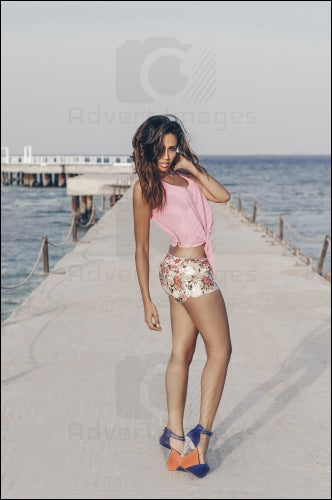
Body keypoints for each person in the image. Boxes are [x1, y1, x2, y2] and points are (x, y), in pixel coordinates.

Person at [132, 114, 232, 478]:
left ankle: (175, 436)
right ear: (147, 148)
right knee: (221, 351)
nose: (166, 155)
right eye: (161, 149)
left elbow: (222, 195)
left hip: (181, 271)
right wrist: (146, 300)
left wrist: (190, 164)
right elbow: (141, 248)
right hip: (189, 272)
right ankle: (199, 444)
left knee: (182, 352)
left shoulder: (184, 176)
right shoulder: (146, 187)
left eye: (173, 148)